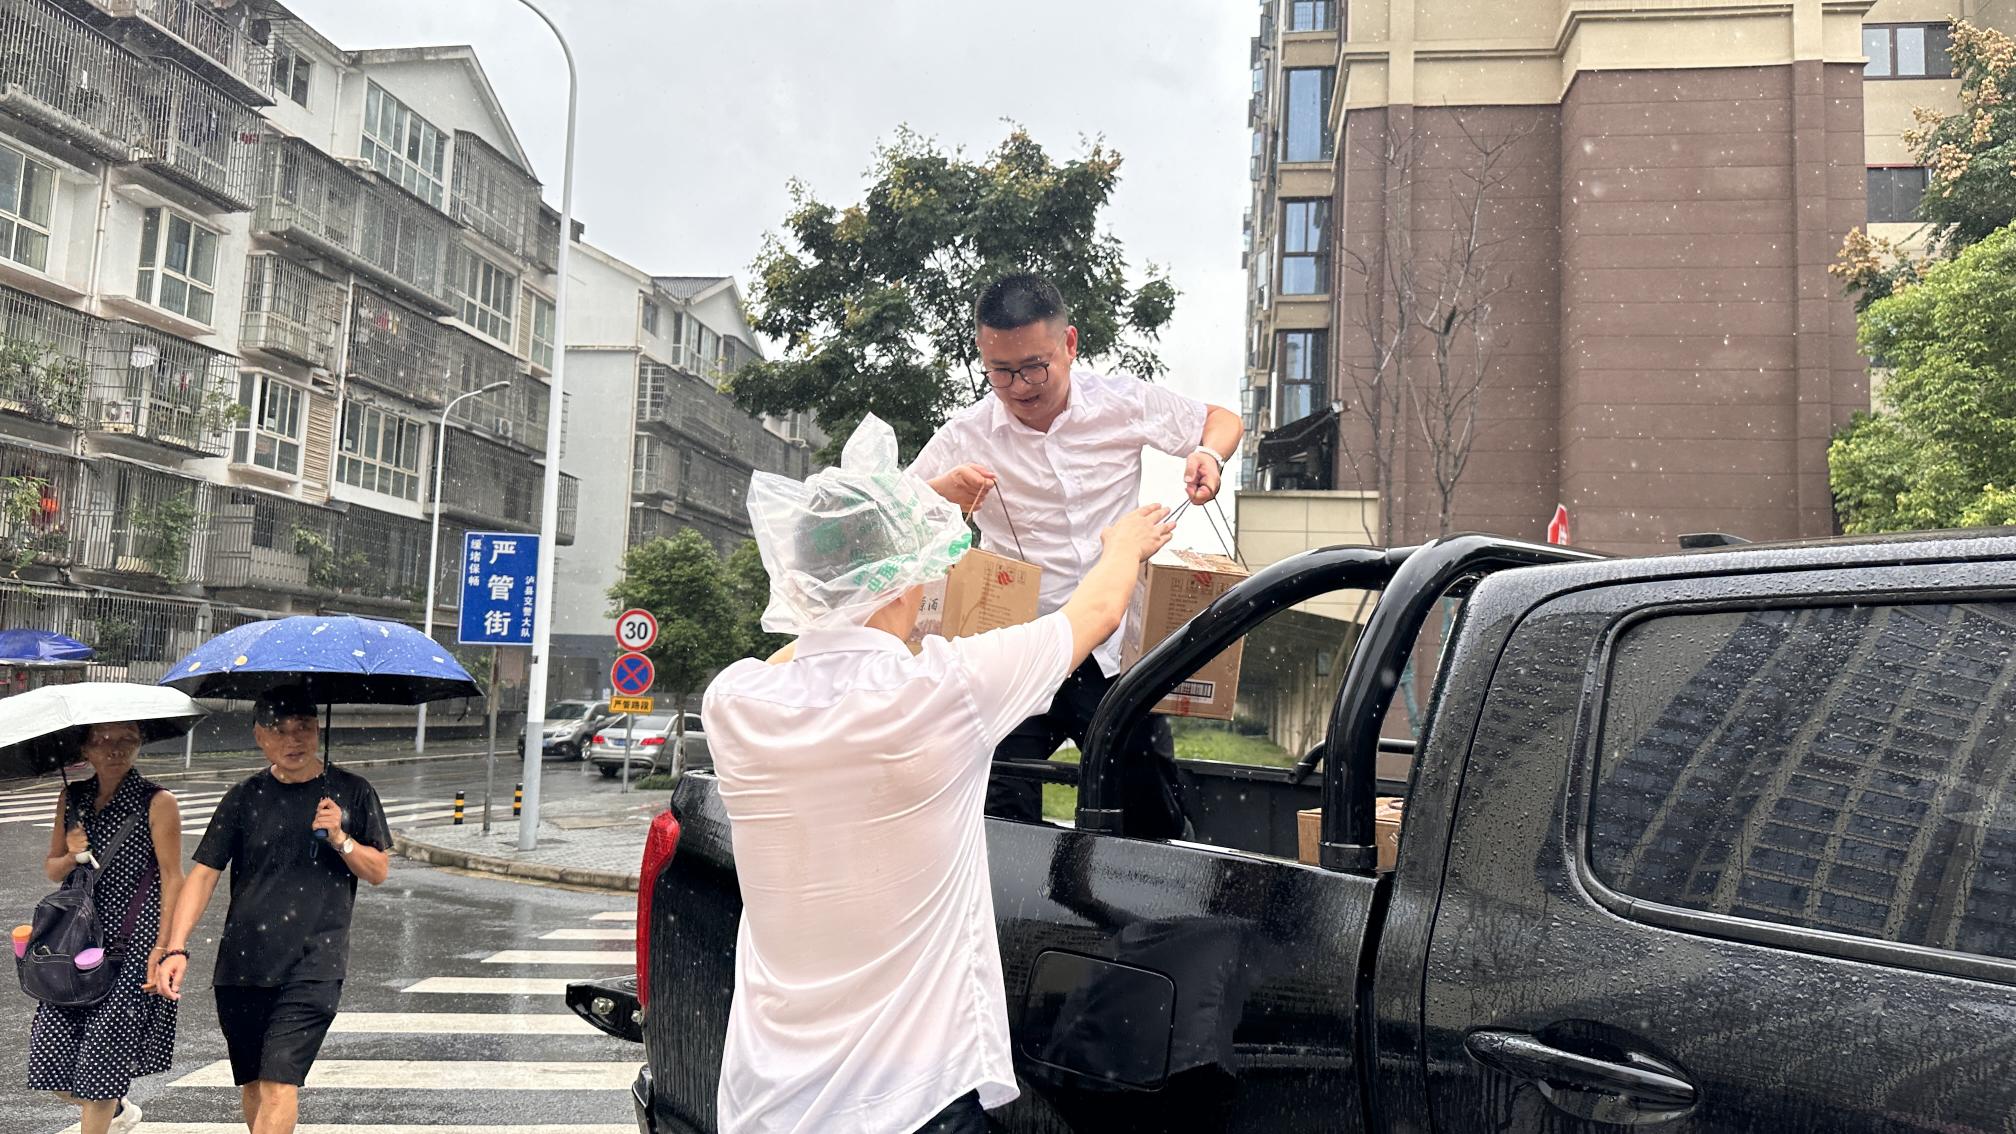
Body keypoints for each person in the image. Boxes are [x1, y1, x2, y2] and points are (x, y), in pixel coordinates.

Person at [703, 415, 1176, 1134]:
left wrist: (898, 516)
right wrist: (1124, 544)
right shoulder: (945, 692)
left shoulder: (736, 702)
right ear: (903, 583)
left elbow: (812, 640)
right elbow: (1099, 611)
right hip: (910, 1107)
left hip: (764, 1106)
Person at [909, 272, 1246, 835]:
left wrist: (1209, 455)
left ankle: (1136, 892)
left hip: (1113, 651)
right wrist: (944, 493)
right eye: (1000, 371)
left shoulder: (1121, 402)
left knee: (1149, 816)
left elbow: (1221, 419)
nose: (1019, 386)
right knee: (996, 810)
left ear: (1069, 344)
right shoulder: (967, 434)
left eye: (1034, 366)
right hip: (1019, 647)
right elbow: (896, 517)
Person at [156, 687, 392, 1134]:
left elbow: (378, 870)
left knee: (279, 1083)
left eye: (303, 728)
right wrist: (176, 948)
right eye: (279, 730)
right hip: (242, 965)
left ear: (318, 730)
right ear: (259, 736)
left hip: (313, 964)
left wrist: (341, 838)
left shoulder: (352, 792)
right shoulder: (244, 797)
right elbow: (203, 876)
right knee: (253, 1084)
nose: (292, 740)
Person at [27, 721, 183, 1134]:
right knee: (51, 1060)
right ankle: (115, 1110)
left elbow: (173, 878)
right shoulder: (72, 797)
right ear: (85, 750)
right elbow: (53, 869)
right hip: (75, 941)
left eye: (126, 741)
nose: (115, 750)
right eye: (102, 741)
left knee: (101, 1066)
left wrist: (164, 947)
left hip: (132, 944)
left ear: (139, 745)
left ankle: (105, 1105)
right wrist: (72, 855)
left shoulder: (157, 802)